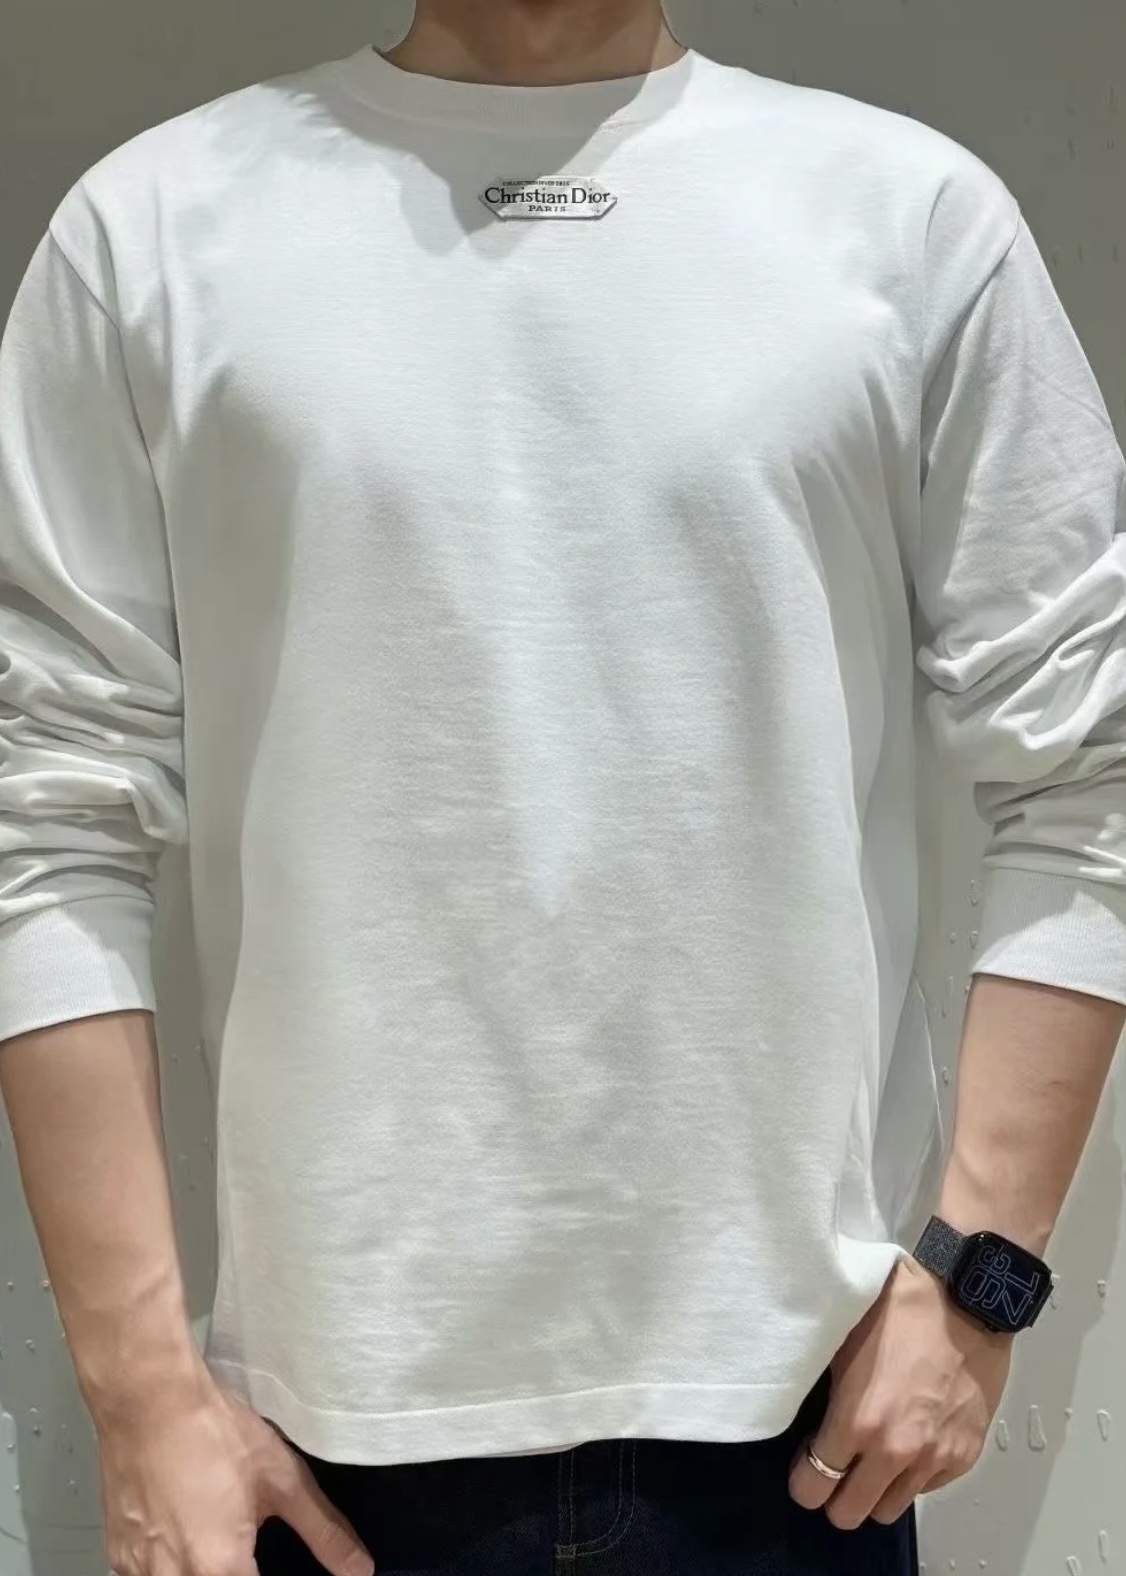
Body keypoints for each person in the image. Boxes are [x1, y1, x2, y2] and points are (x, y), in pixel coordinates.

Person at [1, 1, 1124, 1572]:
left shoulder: (911, 220)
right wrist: (137, 1398)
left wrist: (975, 1282)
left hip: (798, 1434)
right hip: (317, 1447)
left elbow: (1088, 772)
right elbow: (46, 812)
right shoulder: (150, 233)